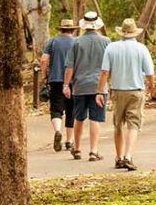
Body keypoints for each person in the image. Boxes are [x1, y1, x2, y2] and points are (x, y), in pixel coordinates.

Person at [96, 19, 155, 171]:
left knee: (118, 124)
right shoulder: (141, 49)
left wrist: (99, 91)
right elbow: (149, 73)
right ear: (135, 33)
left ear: (121, 32)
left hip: (117, 91)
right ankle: (128, 156)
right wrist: (151, 87)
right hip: (136, 91)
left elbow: (104, 72)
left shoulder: (111, 48)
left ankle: (119, 157)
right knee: (133, 124)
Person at [63, 11, 111, 161]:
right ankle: (93, 151)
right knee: (95, 119)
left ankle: (77, 149)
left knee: (79, 117)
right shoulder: (106, 42)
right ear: (97, 25)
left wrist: (66, 85)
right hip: (99, 86)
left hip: (80, 86)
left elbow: (69, 66)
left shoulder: (76, 42)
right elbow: (109, 66)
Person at [40, 19, 77, 152]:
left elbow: (44, 59)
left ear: (60, 29)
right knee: (71, 110)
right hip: (73, 80)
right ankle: (69, 141)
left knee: (56, 108)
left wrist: (44, 76)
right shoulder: (76, 42)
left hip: (55, 79)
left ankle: (57, 131)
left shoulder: (53, 41)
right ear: (73, 30)